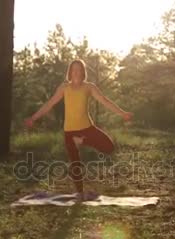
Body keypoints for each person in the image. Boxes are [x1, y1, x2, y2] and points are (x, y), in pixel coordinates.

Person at [24, 59, 133, 201]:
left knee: (109, 147)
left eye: (79, 69)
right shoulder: (64, 87)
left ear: (83, 72)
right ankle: (80, 193)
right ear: (70, 72)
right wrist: (33, 118)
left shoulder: (89, 87)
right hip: (69, 131)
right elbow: (49, 104)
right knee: (75, 163)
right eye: (73, 69)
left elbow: (105, 101)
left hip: (87, 129)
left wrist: (122, 113)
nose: (76, 72)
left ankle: (81, 140)